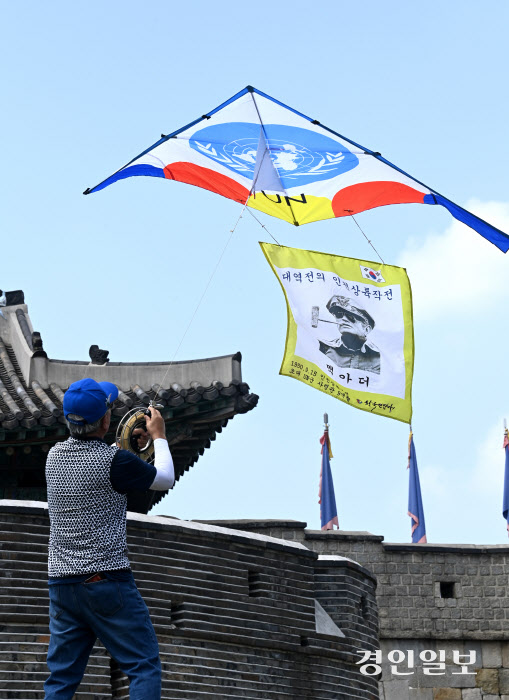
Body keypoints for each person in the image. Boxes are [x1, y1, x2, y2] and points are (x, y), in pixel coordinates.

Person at [44, 377, 175, 700]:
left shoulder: (53, 457)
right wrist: (158, 437)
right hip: (106, 579)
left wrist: (128, 445)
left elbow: (97, 463)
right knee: (143, 666)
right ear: (105, 420)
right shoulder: (113, 461)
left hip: (61, 584)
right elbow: (165, 479)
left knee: (61, 679)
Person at [318, 295, 381, 374]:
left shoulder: (378, 357)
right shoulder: (323, 348)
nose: (343, 319)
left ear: (366, 329)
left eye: (351, 316)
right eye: (339, 314)